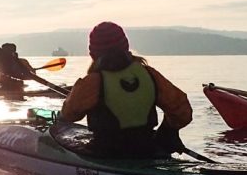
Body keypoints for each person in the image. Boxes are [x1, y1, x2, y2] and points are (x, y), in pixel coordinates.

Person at [60, 21, 193, 157]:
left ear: (93, 53)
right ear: (125, 46)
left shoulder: (93, 81)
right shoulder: (149, 74)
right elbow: (183, 111)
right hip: (146, 148)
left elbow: (69, 114)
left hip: (106, 152)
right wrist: (168, 130)